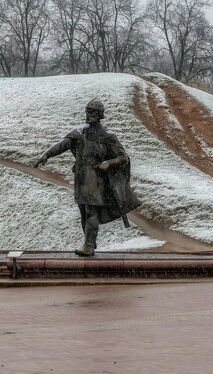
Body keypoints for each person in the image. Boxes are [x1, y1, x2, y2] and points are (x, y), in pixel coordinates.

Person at [33, 98, 141, 256]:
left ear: (100, 115)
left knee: (91, 211)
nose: (88, 115)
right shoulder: (79, 132)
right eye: (87, 112)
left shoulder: (108, 136)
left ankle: (89, 245)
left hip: (96, 179)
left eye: (92, 112)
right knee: (84, 211)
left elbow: (123, 158)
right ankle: (89, 243)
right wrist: (46, 155)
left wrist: (109, 163)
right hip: (81, 178)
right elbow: (62, 145)